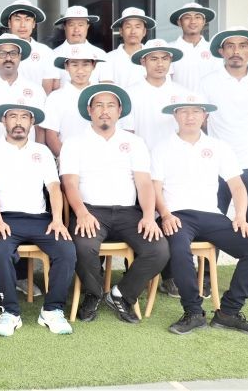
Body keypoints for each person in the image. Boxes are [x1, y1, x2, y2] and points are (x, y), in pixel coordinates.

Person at [152, 97, 248, 335]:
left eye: (196, 111)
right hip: (176, 214)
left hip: (211, 215)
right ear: (175, 116)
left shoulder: (219, 147)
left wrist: (240, 216)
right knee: (178, 249)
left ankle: (228, 312)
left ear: (205, 116)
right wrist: (164, 214)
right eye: (184, 112)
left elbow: (237, 186)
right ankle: (193, 312)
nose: (190, 116)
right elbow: (154, 186)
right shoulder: (161, 147)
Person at [60, 84, 169, 323]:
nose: (104, 111)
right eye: (98, 105)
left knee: (159, 249)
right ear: (89, 110)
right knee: (81, 245)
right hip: (90, 211)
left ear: (120, 111)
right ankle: (94, 292)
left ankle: (122, 294)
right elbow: (69, 183)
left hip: (128, 212)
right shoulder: (74, 142)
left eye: (110, 105)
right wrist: (82, 212)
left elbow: (144, 183)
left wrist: (149, 216)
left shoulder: (134, 142)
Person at [0, 103, 75, 336]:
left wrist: (57, 219)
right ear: (4, 122)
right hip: (5, 218)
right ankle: (10, 312)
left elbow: (53, 188)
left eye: (24, 117)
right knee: (0, 251)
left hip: (41, 219)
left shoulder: (42, 151)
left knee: (66, 250)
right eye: (13, 116)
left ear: (32, 123)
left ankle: (52, 310)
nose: (19, 122)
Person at [200, 27, 248, 302]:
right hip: (216, 163)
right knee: (215, 220)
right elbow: (201, 119)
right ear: (221, 52)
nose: (236, 51)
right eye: (230, 46)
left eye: (242, 46)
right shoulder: (208, 81)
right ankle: (207, 278)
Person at [41, 49, 110, 157]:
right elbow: (51, 136)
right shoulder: (55, 98)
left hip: (100, 160)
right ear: (66, 67)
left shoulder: (103, 96)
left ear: (94, 66)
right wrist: (67, 162)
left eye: (86, 65)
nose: (80, 71)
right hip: (67, 161)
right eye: (74, 65)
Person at [0, 0, 61, 93]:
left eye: (27, 20)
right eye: (17, 19)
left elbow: (47, 92)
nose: (22, 25)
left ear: (33, 24)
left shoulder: (45, 52)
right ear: (9, 23)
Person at [52, 6, 112, 88]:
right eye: (71, 25)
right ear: (64, 27)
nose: (76, 29)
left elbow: (106, 87)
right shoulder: (52, 55)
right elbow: (53, 88)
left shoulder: (101, 55)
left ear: (87, 26)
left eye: (81, 25)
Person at [168, 3, 221, 92]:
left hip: (208, 104)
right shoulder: (169, 49)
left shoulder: (213, 49)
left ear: (204, 22)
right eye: (187, 17)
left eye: (197, 17)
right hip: (178, 103)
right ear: (179, 22)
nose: (193, 21)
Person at [104, 7, 156, 89]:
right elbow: (107, 89)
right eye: (128, 27)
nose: (133, 31)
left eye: (137, 27)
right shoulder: (108, 58)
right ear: (121, 31)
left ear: (144, 31)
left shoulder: (154, 57)